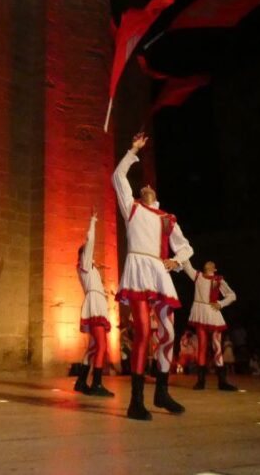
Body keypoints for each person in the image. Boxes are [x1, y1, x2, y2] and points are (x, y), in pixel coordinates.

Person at [113, 133, 193, 420]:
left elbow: (185, 247)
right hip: (138, 270)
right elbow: (117, 176)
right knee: (144, 332)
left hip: (159, 272)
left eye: (151, 187)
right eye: (142, 186)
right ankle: (136, 401)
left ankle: (161, 392)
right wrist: (133, 149)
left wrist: (176, 260)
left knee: (169, 332)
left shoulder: (166, 218)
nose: (147, 186)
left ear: (156, 196)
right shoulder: (131, 208)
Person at [73, 208, 113, 396]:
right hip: (94, 305)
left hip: (96, 302)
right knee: (101, 345)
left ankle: (81, 381)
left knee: (92, 346)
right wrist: (93, 222)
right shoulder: (85, 265)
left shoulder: (89, 268)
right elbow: (90, 242)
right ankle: (96, 384)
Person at [182, 259, 238, 391]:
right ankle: (201, 381)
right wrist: (183, 250)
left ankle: (222, 381)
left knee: (217, 346)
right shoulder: (198, 276)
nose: (210, 263)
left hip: (213, 313)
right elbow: (186, 264)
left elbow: (232, 295)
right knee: (202, 346)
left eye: (213, 264)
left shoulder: (218, 280)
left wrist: (220, 304)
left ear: (215, 269)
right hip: (201, 313)